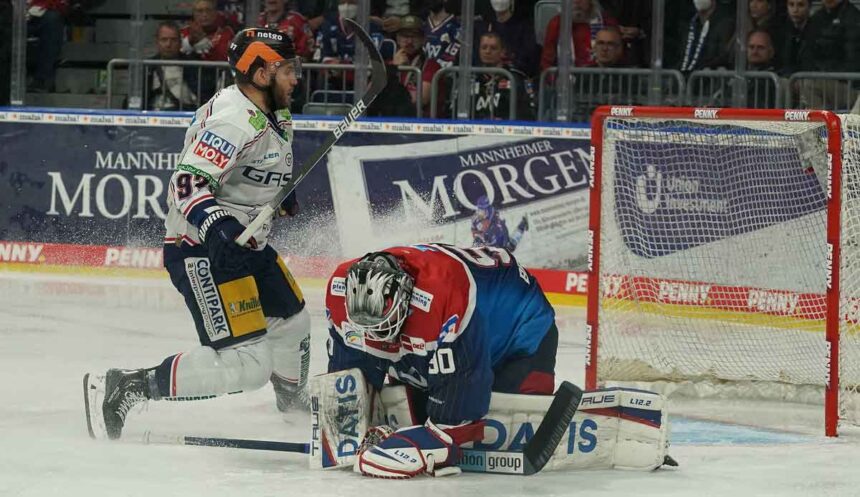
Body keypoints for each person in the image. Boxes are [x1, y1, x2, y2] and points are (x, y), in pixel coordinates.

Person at [83, 28, 311, 441]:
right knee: (248, 366)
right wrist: (219, 227)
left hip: (246, 244)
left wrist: (278, 193)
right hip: (203, 249)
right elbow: (186, 183)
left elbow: (249, 171)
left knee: (293, 322)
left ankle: (295, 409)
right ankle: (127, 386)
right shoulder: (234, 120)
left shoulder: (274, 110)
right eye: (287, 70)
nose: (296, 77)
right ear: (260, 75)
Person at [325, 243, 557, 478]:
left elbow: (457, 415)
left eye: (381, 325)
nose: (373, 335)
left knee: (509, 411)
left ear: (406, 295)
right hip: (454, 321)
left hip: (519, 332)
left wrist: (441, 436)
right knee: (416, 400)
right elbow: (348, 383)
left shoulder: (442, 291)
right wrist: (344, 425)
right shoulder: (339, 287)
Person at [470, 32, 536, 121]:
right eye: (484, 47)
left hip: (507, 131)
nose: (487, 51)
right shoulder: (470, 77)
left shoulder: (516, 78)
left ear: (502, 51)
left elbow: (528, 113)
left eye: (493, 48)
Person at [144, 21, 208, 111]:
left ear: (180, 42)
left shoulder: (193, 65)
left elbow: (205, 95)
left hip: (186, 114)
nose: (168, 44)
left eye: (173, 40)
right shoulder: (147, 66)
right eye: (164, 40)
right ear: (157, 42)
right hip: (153, 116)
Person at [540, 0, 618, 72]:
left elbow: (618, 56)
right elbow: (547, 62)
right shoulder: (557, 24)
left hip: (600, 78)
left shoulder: (606, 22)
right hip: (567, 81)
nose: (577, 1)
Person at [474, 0, 540, 77]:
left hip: (514, 76)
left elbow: (528, 58)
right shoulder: (482, 26)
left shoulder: (524, 27)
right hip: (483, 77)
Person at [675, 0, 736, 73]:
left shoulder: (725, 24)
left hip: (709, 77)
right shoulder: (689, 24)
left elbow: (723, 56)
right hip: (684, 75)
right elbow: (681, 55)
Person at [779, 0, 811, 75]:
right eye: (791, 4)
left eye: (800, 5)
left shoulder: (816, 30)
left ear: (809, 7)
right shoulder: (783, 31)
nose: (795, 10)